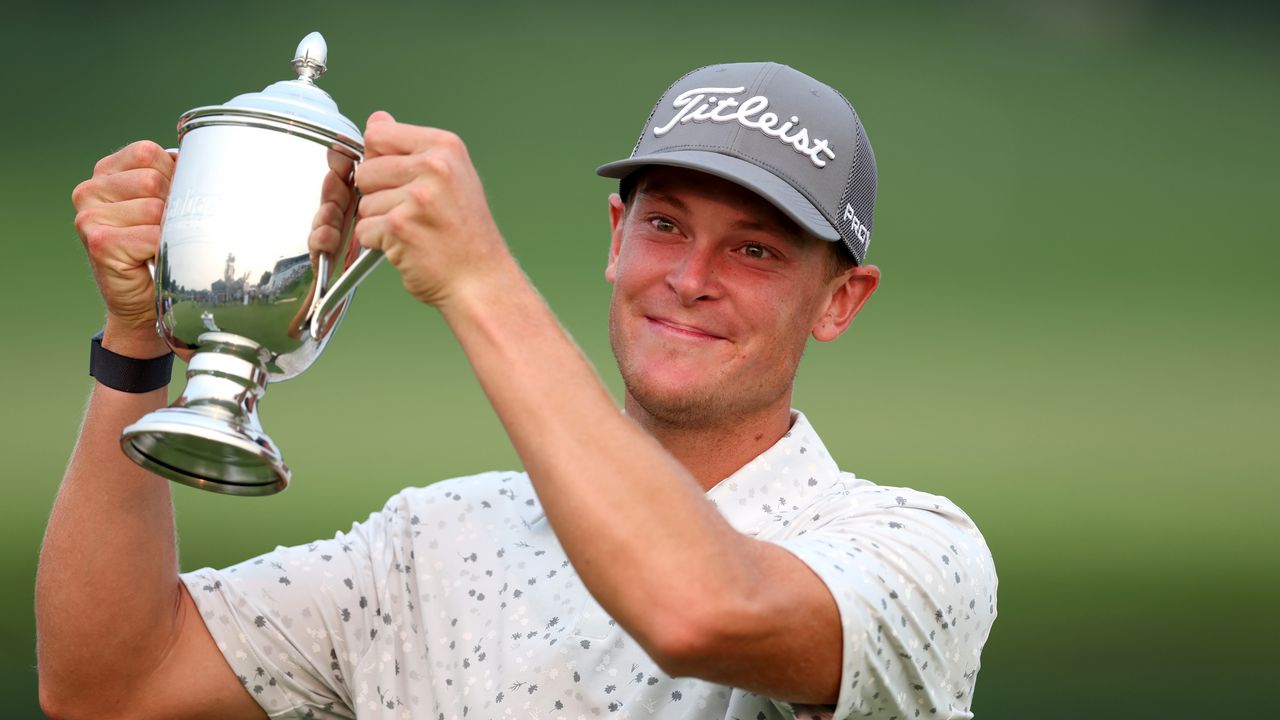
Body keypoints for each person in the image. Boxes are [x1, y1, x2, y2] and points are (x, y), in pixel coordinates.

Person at [36, 62, 997, 719]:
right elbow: (110, 686)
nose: (691, 276)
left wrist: (480, 279)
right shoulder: (431, 541)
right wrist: (139, 344)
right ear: (615, 238)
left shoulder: (914, 551)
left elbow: (698, 608)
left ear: (839, 301)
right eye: (666, 226)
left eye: (754, 250)